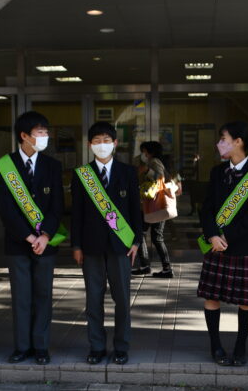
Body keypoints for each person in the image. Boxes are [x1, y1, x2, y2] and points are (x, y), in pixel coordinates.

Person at [197, 121, 248, 366]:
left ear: (238, 141)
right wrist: (211, 236)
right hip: (215, 244)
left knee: (246, 301)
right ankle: (215, 346)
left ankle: (240, 347)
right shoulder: (217, 172)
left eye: (223, 139)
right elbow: (206, 208)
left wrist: (226, 236)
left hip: (242, 246)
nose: (219, 144)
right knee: (211, 296)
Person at [0, 111, 64, 365]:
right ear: (24, 136)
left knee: (43, 296)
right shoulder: (5, 165)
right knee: (21, 297)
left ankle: (41, 346)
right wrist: (27, 236)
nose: (45, 137)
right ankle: (22, 346)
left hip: (45, 244)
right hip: (17, 244)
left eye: (46, 132)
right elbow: (5, 208)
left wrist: (45, 235)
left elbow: (58, 206)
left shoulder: (53, 166)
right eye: (39, 133)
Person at [71, 121, 142, 365]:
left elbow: (136, 210)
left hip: (121, 245)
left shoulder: (128, 172)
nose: (102, 145)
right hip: (90, 247)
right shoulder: (82, 175)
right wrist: (76, 246)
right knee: (93, 299)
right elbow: (76, 214)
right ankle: (97, 346)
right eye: (97, 141)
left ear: (115, 143)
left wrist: (136, 241)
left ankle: (121, 346)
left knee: (122, 299)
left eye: (106, 140)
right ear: (90, 145)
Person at [132, 141, 174, 278]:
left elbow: (160, 179)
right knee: (149, 235)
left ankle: (155, 267)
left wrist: (147, 171)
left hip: (155, 205)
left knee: (150, 235)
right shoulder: (156, 161)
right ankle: (150, 266)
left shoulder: (154, 162)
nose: (143, 154)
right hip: (152, 205)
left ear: (150, 152)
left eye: (144, 151)